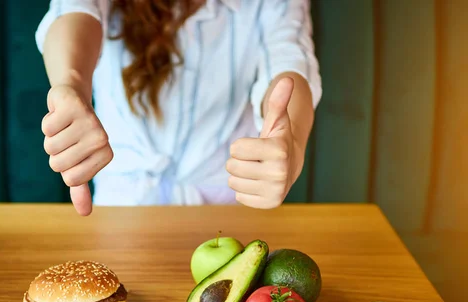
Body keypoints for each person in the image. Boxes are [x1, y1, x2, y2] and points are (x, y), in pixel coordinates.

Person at [36, 0, 321, 216]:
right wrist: (70, 85)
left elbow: (290, 60)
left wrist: (292, 140)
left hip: (227, 216)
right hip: (116, 213)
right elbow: (73, 13)